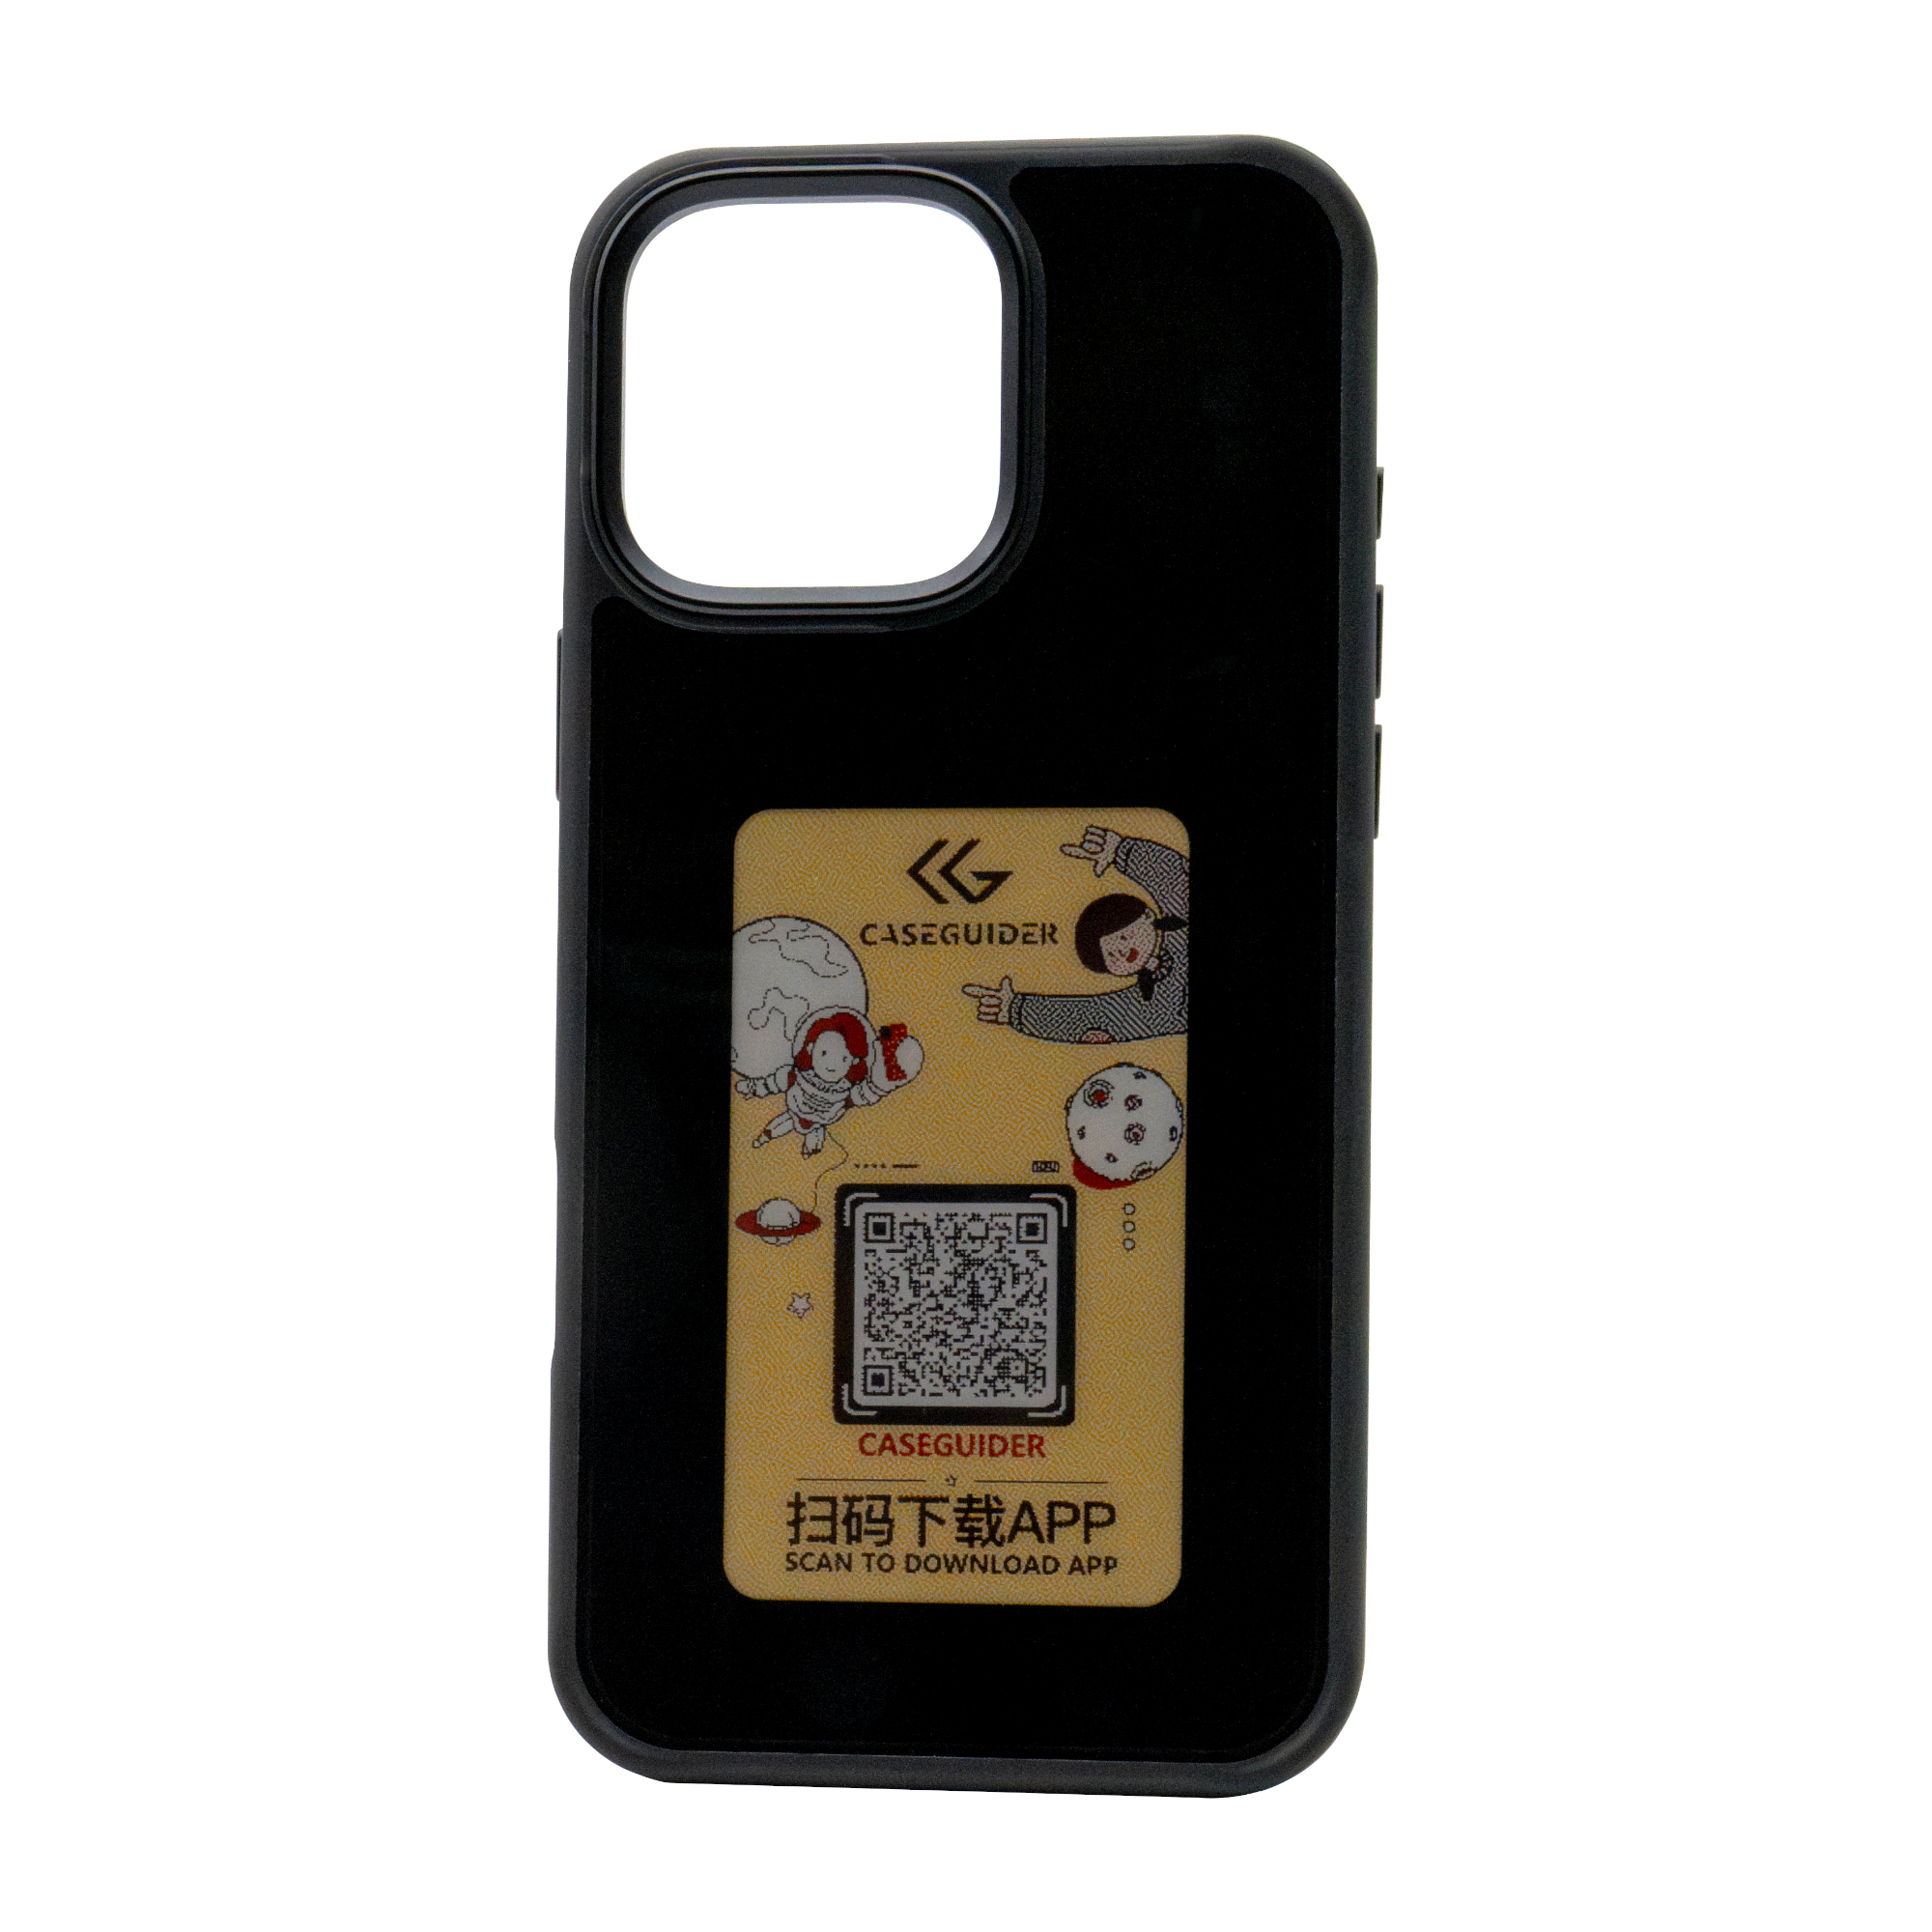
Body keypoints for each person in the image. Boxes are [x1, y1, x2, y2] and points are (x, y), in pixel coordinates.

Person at [962, 826, 1188, 1045]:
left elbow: (1173, 880)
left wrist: (1123, 851)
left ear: (1147, 916)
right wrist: (1017, 1009)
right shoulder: (1155, 1004)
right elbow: (1093, 1015)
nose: (1122, 951)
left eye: (1123, 938)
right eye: (1111, 956)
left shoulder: (1181, 923)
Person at [736, 1008, 922, 1155]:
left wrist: (881, 1085)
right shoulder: (798, 1075)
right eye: (824, 1053)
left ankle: (808, 1150)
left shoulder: (844, 1089)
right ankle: (764, 1138)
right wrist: (754, 1088)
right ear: (811, 1048)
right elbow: (773, 1083)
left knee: (813, 1136)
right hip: (795, 1110)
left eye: (844, 1059)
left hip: (820, 1121)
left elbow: (864, 1094)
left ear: (853, 1062)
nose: (832, 1065)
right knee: (780, 1126)